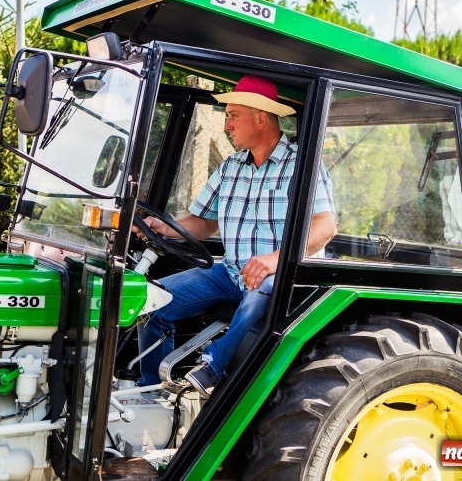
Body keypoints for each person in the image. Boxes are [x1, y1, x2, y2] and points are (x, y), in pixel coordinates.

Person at [136, 75, 336, 397]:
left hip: (282, 278)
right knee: (150, 300)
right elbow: (203, 221)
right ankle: (151, 392)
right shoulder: (231, 167)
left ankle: (214, 366)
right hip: (230, 273)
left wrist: (275, 260)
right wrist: (162, 227)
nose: (226, 125)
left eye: (233, 116)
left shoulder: (302, 165)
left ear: (261, 119)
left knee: (265, 287)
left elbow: (325, 227)